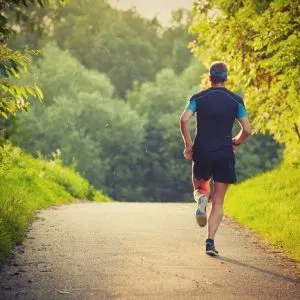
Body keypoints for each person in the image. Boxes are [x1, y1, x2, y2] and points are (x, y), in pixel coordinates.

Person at [179, 61, 252, 256]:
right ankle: (210, 242)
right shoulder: (235, 100)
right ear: (226, 78)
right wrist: (235, 142)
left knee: (200, 188)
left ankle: (201, 199)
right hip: (224, 153)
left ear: (210, 77)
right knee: (218, 202)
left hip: (202, 150)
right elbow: (247, 130)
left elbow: (184, 119)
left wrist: (188, 145)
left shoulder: (198, 98)